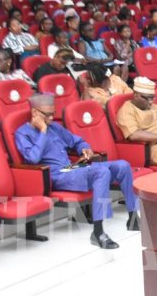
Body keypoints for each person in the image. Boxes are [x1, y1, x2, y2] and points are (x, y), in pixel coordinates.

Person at [15, 93, 139, 247]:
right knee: (101, 172)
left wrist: (84, 148)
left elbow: (77, 141)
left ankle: (133, 219)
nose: (51, 118)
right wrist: (43, 131)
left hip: (71, 168)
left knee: (123, 166)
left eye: (53, 113)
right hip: (56, 174)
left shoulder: (55, 127)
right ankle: (98, 232)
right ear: (34, 112)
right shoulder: (23, 133)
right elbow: (32, 158)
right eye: (47, 115)